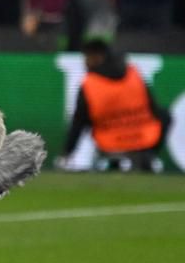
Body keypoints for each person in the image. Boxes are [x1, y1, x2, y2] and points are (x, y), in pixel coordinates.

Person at [59, 39, 171, 173]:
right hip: (143, 137)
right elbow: (152, 107)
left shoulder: (90, 84)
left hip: (108, 140)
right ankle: (147, 155)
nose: (85, 63)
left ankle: (114, 161)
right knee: (165, 115)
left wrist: (67, 152)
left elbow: (78, 122)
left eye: (86, 58)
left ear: (97, 57)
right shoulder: (132, 73)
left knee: (87, 119)